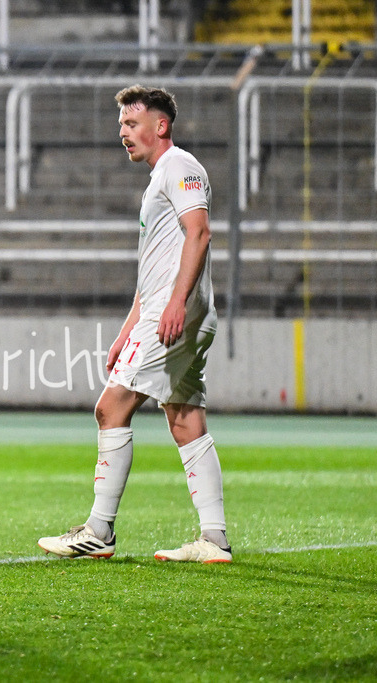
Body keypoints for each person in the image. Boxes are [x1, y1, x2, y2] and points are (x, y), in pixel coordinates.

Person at [37, 85, 231, 563]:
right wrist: (130, 325)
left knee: (110, 407)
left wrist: (175, 304)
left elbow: (199, 233)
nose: (122, 133)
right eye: (121, 124)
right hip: (170, 310)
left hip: (176, 312)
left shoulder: (181, 167)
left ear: (160, 126)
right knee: (184, 417)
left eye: (131, 123)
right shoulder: (160, 177)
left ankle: (99, 531)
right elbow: (156, 262)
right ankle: (215, 538)